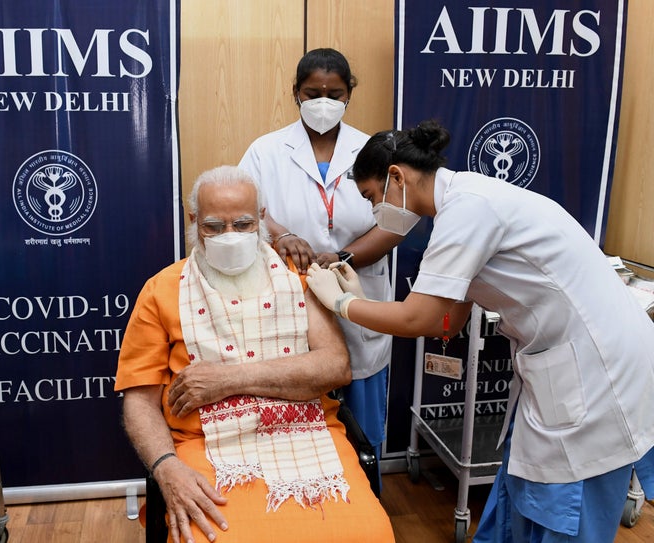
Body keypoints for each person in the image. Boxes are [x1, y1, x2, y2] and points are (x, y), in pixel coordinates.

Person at [305, 121, 654, 542]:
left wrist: (342, 303)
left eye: (371, 198)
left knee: (564, 510)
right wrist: (365, 299)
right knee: (524, 488)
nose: (376, 213)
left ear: (396, 177)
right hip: (564, 362)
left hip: (596, 370)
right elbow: (451, 322)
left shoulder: (468, 209)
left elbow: (424, 320)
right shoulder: (464, 202)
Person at [115, 166, 394, 543]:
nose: (229, 237)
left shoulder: (298, 276)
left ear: (262, 218)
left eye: (243, 224)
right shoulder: (161, 290)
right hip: (207, 445)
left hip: (308, 430)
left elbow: (334, 366)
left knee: (369, 534)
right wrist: (167, 468)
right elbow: (140, 400)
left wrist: (227, 379)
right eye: (214, 226)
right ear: (194, 220)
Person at [238, 48, 402, 473]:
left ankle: (367, 512)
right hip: (291, 295)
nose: (323, 102)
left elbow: (397, 222)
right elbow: (246, 208)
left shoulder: (373, 149)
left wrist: (343, 256)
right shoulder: (266, 151)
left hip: (358, 288)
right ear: (296, 93)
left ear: (350, 95)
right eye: (313, 93)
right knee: (299, 415)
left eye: (335, 93)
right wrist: (283, 235)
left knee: (362, 427)